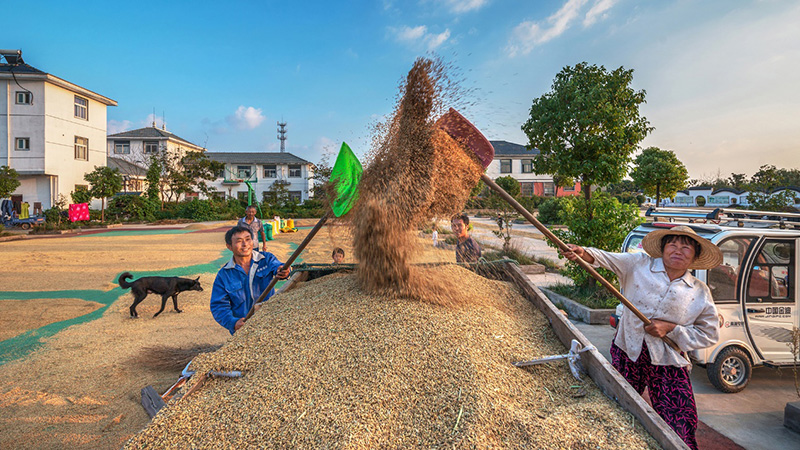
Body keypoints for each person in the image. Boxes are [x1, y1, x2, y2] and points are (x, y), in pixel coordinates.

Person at [560, 225, 722, 450]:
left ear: (695, 256)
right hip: (629, 350)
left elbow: (709, 333)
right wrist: (581, 252)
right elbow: (604, 258)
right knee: (615, 407)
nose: (678, 250)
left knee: (681, 421)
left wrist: (671, 329)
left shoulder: (699, 291)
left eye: (686, 247)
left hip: (668, 360)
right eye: (672, 244)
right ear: (663, 248)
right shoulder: (638, 265)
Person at [210, 225, 291, 334]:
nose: (245, 244)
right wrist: (233, 322)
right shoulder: (224, 274)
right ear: (229, 246)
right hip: (244, 329)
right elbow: (218, 305)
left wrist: (284, 270)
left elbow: (278, 266)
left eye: (248, 239)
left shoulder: (266, 259)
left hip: (270, 322)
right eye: (239, 241)